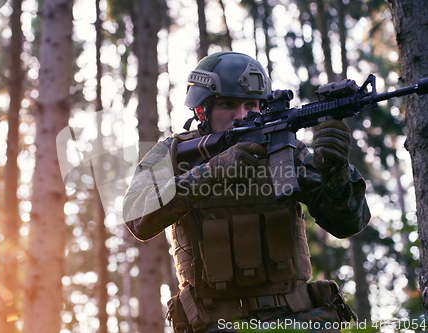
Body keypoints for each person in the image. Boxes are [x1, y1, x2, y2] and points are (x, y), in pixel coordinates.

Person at [123, 51, 371, 333]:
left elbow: (348, 223)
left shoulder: (283, 148)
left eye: (251, 105)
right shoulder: (172, 154)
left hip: (299, 318)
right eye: (228, 104)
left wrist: (336, 169)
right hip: (215, 322)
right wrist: (214, 170)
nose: (241, 115)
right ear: (202, 110)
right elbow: (137, 220)